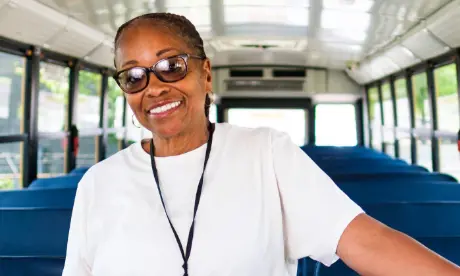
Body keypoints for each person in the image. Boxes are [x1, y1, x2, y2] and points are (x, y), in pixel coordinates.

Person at [62, 13, 460, 276]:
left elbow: (366, 241)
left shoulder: (267, 154)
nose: (154, 87)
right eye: (133, 76)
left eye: (171, 66)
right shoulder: (98, 184)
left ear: (204, 74)